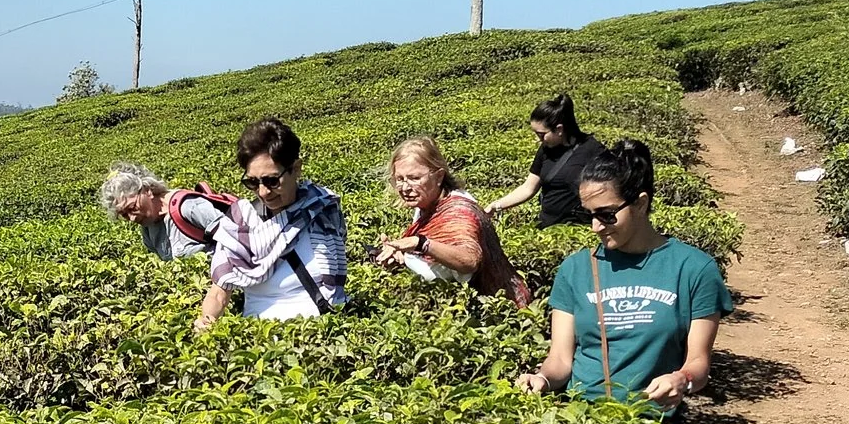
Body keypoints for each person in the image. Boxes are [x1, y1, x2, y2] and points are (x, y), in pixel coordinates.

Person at [516, 139, 730, 412]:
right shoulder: (575, 269)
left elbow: (698, 363)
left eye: (606, 215)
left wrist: (680, 379)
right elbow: (559, 358)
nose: (595, 227)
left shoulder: (694, 268)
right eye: (588, 215)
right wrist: (542, 378)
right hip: (580, 420)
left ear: (640, 204)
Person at [196, 117, 348, 331]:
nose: (263, 192)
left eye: (272, 181)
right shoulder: (240, 221)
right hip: (261, 336)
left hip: (325, 331)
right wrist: (207, 321)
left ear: (296, 169)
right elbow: (219, 292)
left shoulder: (323, 208)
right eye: (252, 182)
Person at [369, 136, 532, 306]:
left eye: (414, 178)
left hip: (497, 309)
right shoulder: (426, 204)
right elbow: (438, 257)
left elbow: (469, 261)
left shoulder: (458, 211)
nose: (404, 187)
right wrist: (401, 256)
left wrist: (419, 243)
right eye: (400, 179)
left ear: (439, 176)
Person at [485, 94, 609, 229]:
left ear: (559, 129)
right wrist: (496, 205)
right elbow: (528, 188)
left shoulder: (593, 150)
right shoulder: (545, 149)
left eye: (542, 134)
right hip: (546, 227)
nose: (539, 139)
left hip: (578, 229)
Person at [101, 162, 237, 260]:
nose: (132, 218)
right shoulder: (148, 228)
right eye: (124, 215)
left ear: (147, 190)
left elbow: (238, 241)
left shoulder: (188, 207)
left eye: (132, 208)